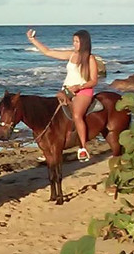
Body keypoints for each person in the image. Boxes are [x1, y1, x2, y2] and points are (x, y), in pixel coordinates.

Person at [26, 28, 98, 161]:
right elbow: (48, 52)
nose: (74, 44)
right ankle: (50, 145)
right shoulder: (71, 55)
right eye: (74, 41)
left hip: (83, 91)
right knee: (51, 113)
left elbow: (94, 80)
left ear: (84, 42)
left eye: (77, 41)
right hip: (66, 90)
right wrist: (33, 40)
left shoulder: (90, 58)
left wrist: (79, 86)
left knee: (76, 115)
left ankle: (82, 148)